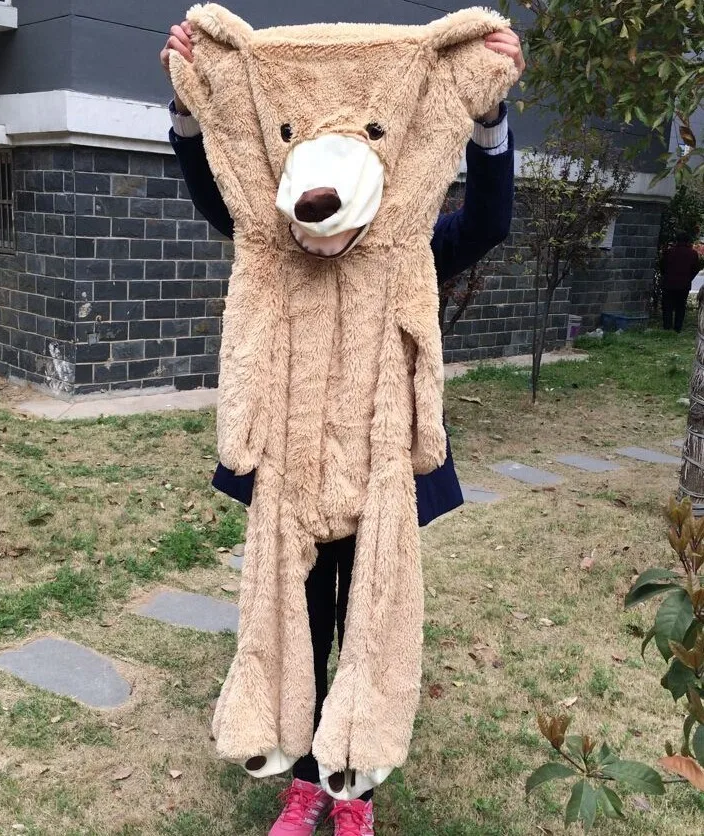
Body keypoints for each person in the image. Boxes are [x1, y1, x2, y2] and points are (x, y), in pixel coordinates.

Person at [161, 18, 524, 836]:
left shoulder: (409, 239)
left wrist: (489, 116)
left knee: (369, 619)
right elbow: (222, 196)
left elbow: (489, 222)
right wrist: (191, 105)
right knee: (302, 619)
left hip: (376, 468)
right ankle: (303, 782)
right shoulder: (278, 236)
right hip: (292, 467)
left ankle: (355, 789)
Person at [660, 232, 701, 333]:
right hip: (684, 284)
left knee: (667, 306)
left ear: (676, 240)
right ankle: (678, 328)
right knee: (680, 306)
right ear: (688, 241)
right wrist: (688, 278)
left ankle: (667, 327)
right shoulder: (693, 254)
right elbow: (696, 269)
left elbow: (662, 266)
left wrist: (666, 276)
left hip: (669, 283)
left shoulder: (669, 252)